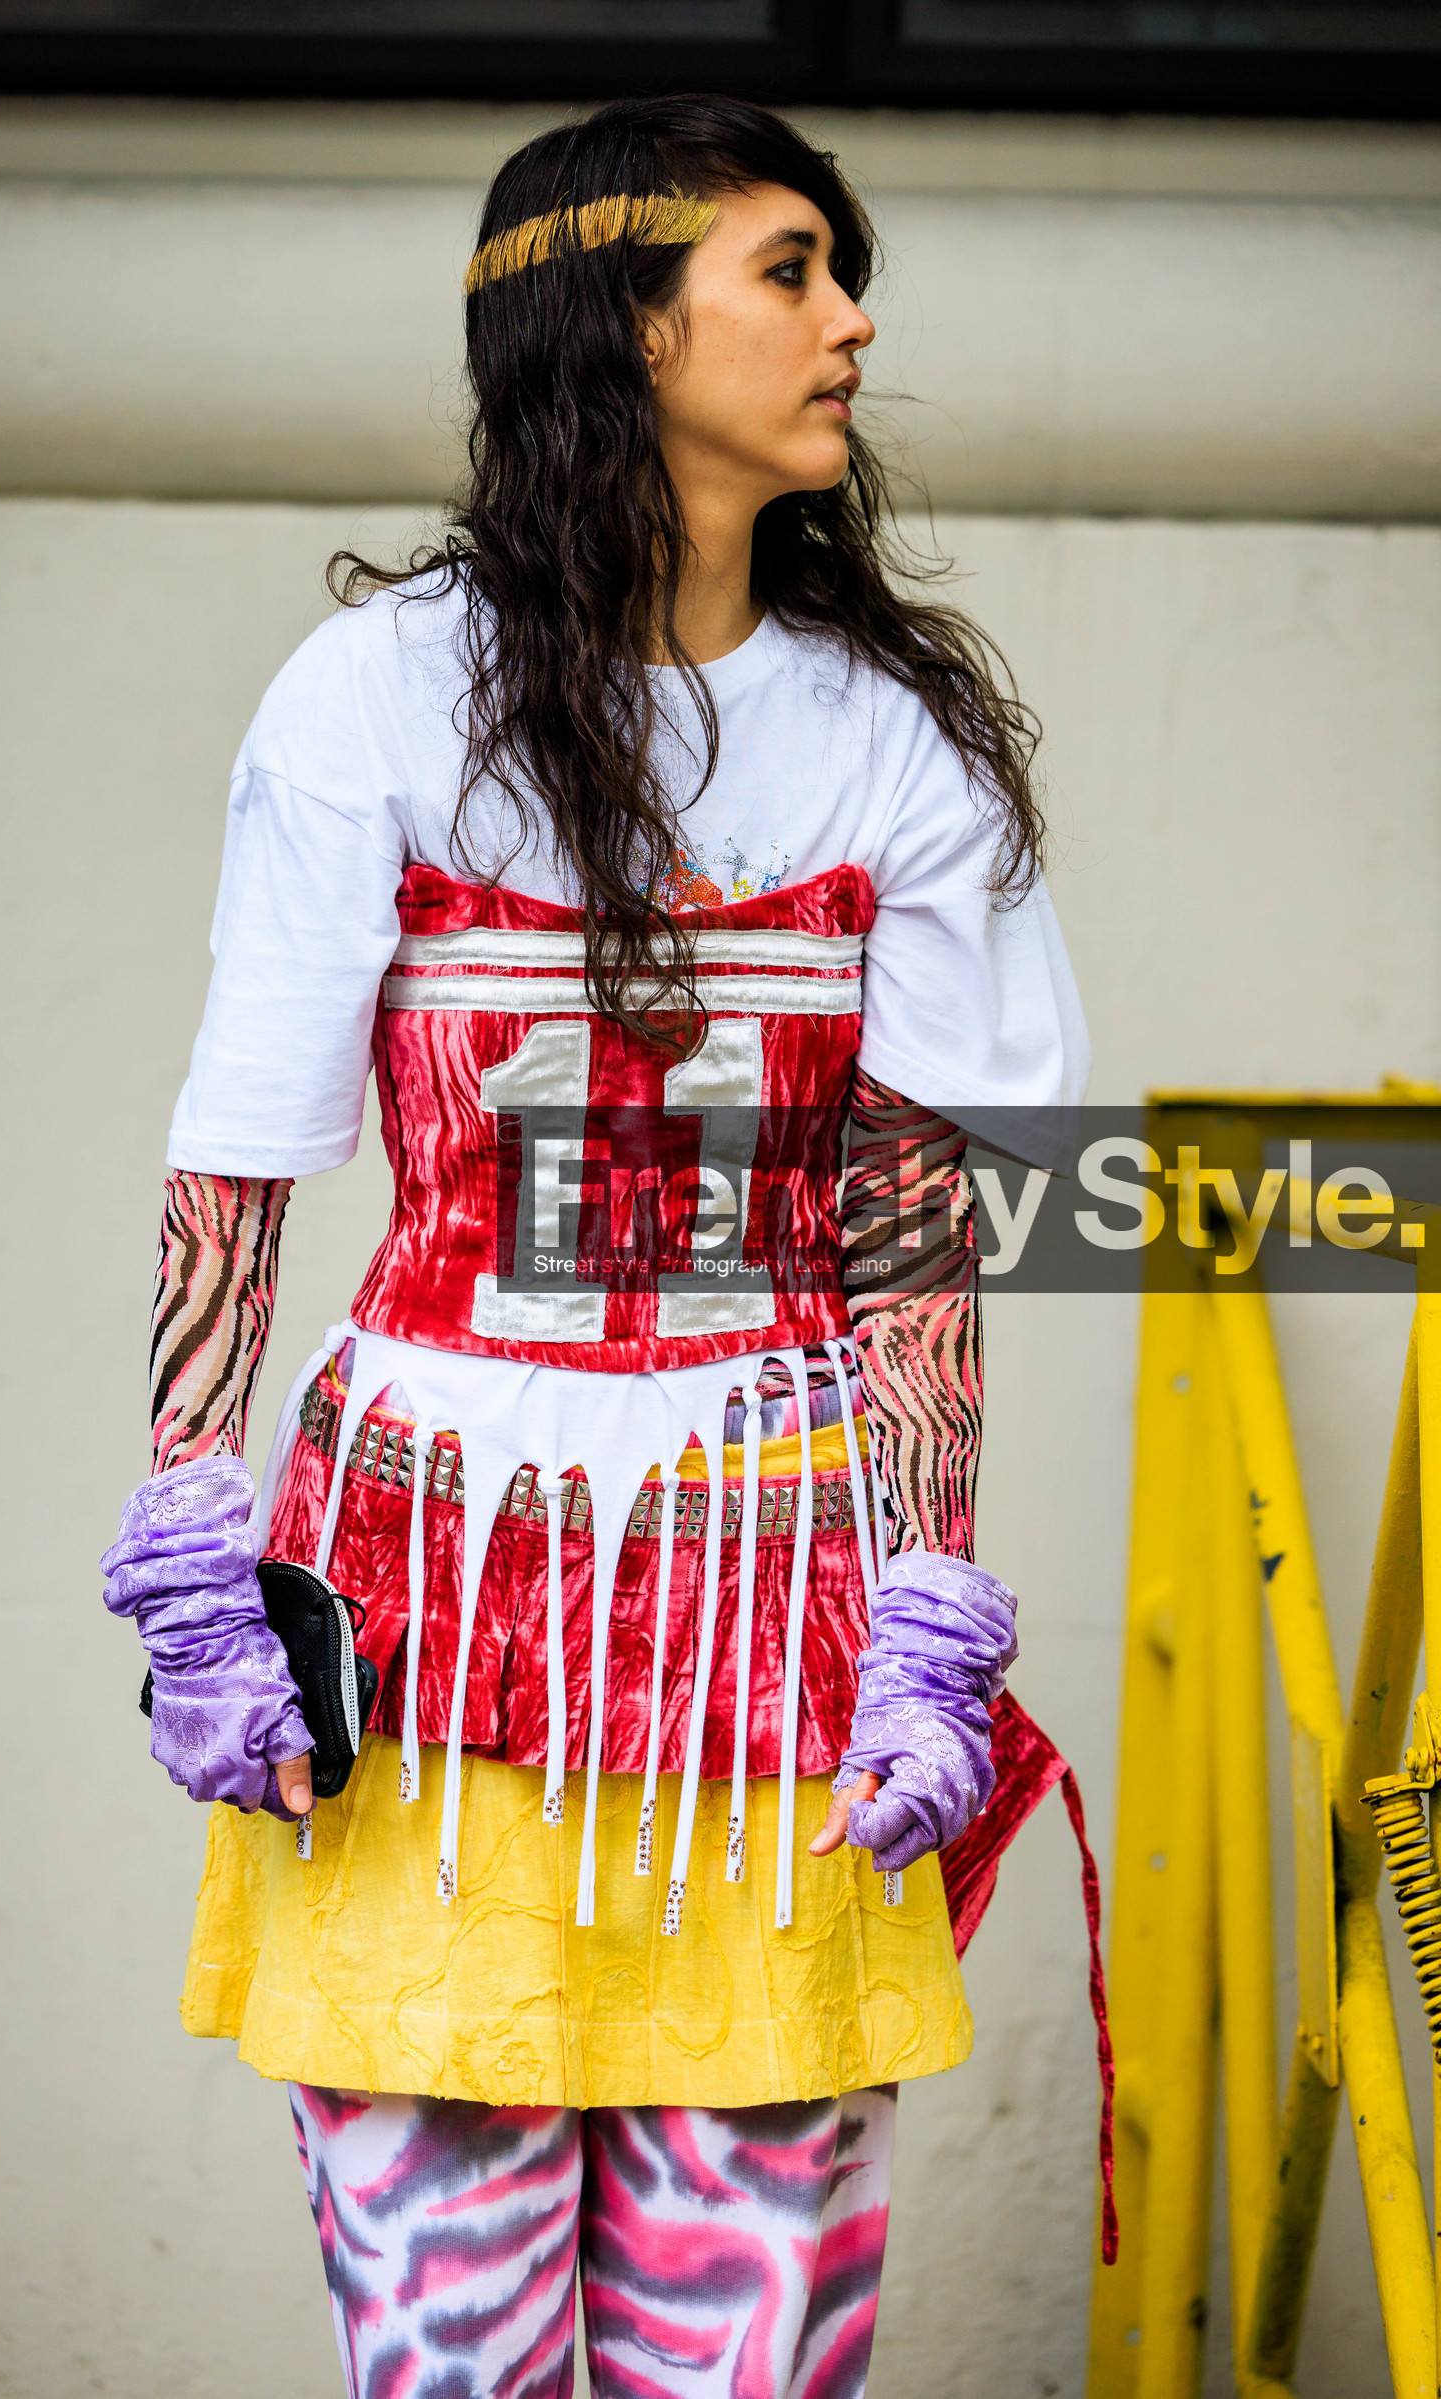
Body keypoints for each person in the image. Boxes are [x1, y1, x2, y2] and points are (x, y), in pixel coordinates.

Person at [102, 94, 1093, 2399]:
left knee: (749, 2352)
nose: (850, 326)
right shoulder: (370, 698)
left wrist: (926, 1626)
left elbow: (911, 1228)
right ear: (625, 324)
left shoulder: (896, 744)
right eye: (788, 270)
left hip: (782, 1647)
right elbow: (238, 1164)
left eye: (841, 275)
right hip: (425, 1633)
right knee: (447, 2356)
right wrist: (190, 1557)